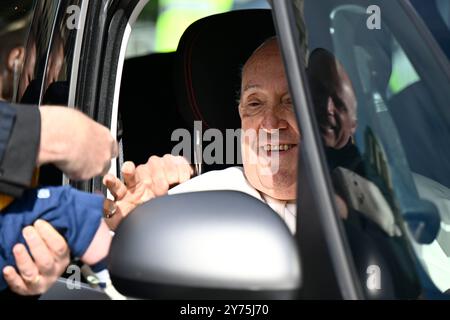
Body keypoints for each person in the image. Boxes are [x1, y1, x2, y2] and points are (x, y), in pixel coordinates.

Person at [104, 37, 350, 234]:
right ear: (240, 114)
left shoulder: (366, 198)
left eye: (292, 101)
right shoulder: (203, 202)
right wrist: (136, 230)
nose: (270, 123)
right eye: (255, 104)